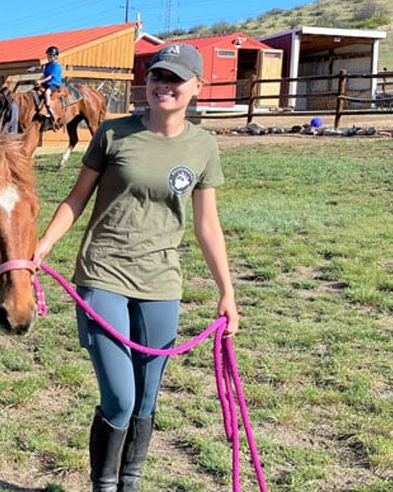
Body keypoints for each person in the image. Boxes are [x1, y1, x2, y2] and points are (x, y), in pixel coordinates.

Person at [34, 43, 240, 492]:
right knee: (121, 399)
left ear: (197, 88)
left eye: (175, 79)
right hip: (103, 275)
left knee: (147, 399)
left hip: (162, 282)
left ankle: (130, 483)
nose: (164, 86)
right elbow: (75, 199)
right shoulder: (113, 133)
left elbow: (207, 225)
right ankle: (104, 487)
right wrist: (44, 246)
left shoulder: (203, 146)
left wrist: (226, 291)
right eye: (157, 77)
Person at [35, 46, 62, 122]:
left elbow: (50, 77)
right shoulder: (47, 65)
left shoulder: (57, 66)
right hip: (46, 83)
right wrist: (39, 80)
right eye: (48, 55)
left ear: (55, 56)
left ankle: (48, 109)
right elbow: (44, 75)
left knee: (47, 92)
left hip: (54, 84)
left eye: (51, 55)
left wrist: (41, 81)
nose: (49, 57)